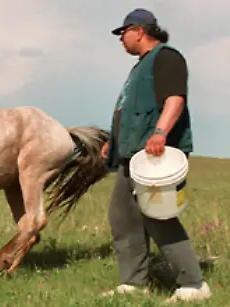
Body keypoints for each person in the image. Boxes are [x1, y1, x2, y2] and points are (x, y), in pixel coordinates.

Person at [100, 8, 211, 303]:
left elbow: (175, 98)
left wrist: (160, 133)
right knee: (123, 217)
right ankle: (134, 282)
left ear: (139, 30)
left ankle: (194, 285)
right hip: (133, 155)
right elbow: (130, 109)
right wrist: (112, 141)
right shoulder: (141, 65)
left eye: (123, 33)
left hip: (156, 157)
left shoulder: (166, 57)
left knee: (158, 216)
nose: (121, 39)